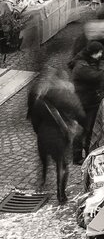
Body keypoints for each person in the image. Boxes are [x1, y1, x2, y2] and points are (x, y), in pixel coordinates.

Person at [27, 68, 84, 204]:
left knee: (43, 160)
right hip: (60, 136)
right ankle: (61, 195)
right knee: (62, 164)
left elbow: (35, 119)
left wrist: (40, 131)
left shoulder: (42, 99)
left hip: (43, 134)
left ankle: (42, 181)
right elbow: (80, 114)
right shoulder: (70, 97)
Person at [68, 41, 104, 164]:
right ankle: (77, 156)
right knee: (82, 130)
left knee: (89, 129)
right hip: (84, 103)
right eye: (99, 53)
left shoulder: (87, 61)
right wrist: (103, 65)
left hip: (90, 101)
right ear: (93, 53)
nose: (101, 55)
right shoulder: (81, 67)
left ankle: (89, 152)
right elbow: (97, 76)